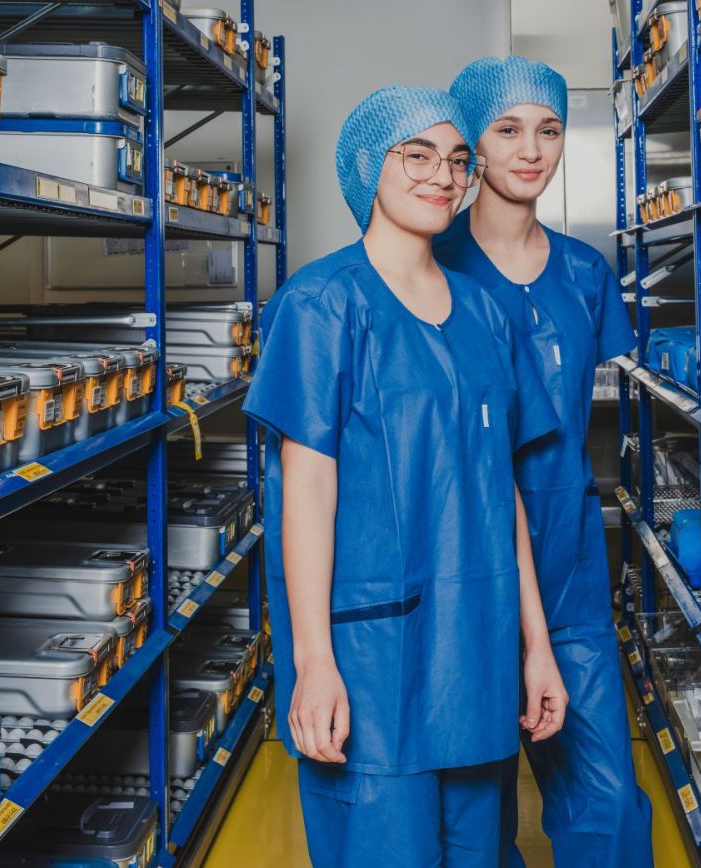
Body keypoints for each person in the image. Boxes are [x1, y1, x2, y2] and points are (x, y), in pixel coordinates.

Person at [242, 85, 569, 868]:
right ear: (367, 167)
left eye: (457, 160)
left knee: (479, 851)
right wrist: (315, 662)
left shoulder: (485, 313)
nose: (444, 176)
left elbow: (503, 493)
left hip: (476, 651)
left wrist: (537, 646)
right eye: (416, 155)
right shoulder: (321, 306)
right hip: (374, 658)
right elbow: (308, 495)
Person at [435, 56, 654, 867]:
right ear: (475, 147)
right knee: (470, 817)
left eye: (550, 129)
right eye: (508, 129)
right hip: (466, 562)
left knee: (606, 802)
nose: (531, 149)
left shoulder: (587, 275)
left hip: (568, 561)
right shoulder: (433, 269)